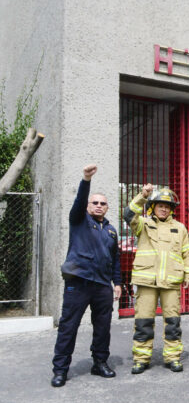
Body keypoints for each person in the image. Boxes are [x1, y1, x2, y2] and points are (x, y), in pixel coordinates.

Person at [51, 164, 122, 387]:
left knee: (102, 327)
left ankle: (99, 362)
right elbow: (79, 201)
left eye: (103, 203)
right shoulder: (79, 220)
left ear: (107, 207)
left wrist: (117, 283)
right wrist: (86, 180)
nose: (99, 206)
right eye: (95, 203)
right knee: (68, 326)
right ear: (88, 205)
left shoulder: (111, 231)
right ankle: (60, 370)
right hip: (78, 283)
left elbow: (115, 259)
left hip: (102, 286)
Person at [124, 184, 189, 374]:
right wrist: (142, 195)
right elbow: (128, 214)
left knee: (172, 323)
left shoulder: (180, 228)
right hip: (147, 281)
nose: (164, 209)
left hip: (171, 282)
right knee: (143, 322)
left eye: (167, 206)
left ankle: (173, 357)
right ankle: (141, 359)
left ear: (171, 209)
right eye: (160, 205)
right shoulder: (143, 224)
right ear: (153, 207)